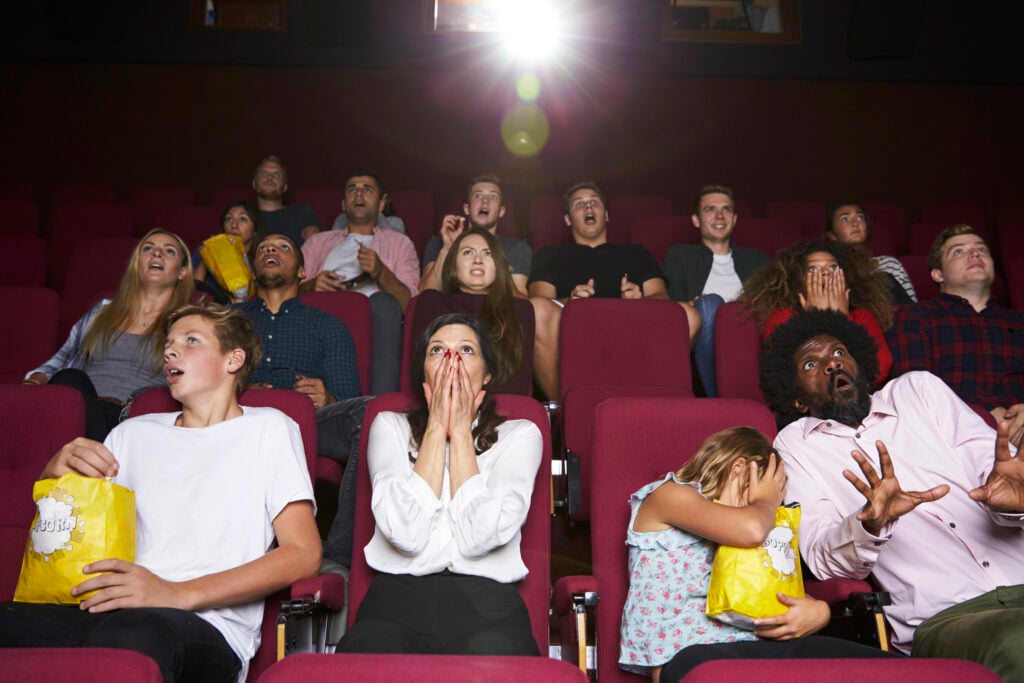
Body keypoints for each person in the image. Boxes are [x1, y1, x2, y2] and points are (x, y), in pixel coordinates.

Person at [0, 303, 322, 683]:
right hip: (99, 608)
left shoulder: (270, 429)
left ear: (233, 359)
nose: (170, 351)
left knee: (133, 636)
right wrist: (52, 475)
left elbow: (303, 554)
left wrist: (176, 592)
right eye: (168, 344)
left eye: (191, 341)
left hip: (201, 624)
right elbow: (64, 533)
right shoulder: (132, 432)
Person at [760, 308, 1024, 680]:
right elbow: (821, 558)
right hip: (948, 615)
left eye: (838, 353)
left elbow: (995, 471)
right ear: (798, 401)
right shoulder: (795, 445)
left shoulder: (919, 390)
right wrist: (870, 525)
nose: (831, 365)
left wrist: (1014, 503)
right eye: (810, 365)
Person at [335, 313, 541, 656]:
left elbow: (480, 538)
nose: (452, 361)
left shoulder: (520, 435)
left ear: (486, 373)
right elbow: (405, 533)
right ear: (424, 372)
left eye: (466, 350)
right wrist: (436, 427)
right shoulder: (389, 426)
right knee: (371, 654)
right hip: (395, 600)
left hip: (489, 603)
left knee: (498, 662)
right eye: (437, 351)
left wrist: (459, 431)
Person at [621, 426, 886, 682]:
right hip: (693, 654)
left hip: (764, 647)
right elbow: (752, 529)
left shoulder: (754, 523)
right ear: (738, 469)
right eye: (768, 491)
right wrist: (764, 502)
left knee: (886, 669)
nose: (774, 505)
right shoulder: (669, 495)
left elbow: (779, 591)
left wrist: (820, 612)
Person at [22, 229, 194, 441]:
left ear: (182, 272)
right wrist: (35, 380)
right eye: (148, 249)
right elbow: (61, 360)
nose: (156, 254)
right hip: (82, 411)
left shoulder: (186, 325)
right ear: (137, 264)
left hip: (132, 420)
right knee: (69, 378)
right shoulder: (100, 312)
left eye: (169, 251)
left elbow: (191, 383)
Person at [886, 224, 1024, 448]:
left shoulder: (1019, 322)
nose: (974, 254)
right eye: (958, 251)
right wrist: (984, 417)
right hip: (949, 441)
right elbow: (914, 395)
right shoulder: (913, 317)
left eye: (982, 249)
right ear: (937, 273)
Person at [301, 170, 420, 393]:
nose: (359, 194)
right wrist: (312, 286)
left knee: (384, 303)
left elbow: (409, 306)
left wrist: (380, 272)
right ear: (344, 204)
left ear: (382, 203)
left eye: (367, 189)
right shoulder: (317, 243)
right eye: (352, 189)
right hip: (321, 317)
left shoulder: (400, 243)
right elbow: (284, 293)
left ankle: (379, 405)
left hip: (374, 322)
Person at [663, 184, 770, 396]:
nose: (720, 216)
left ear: (735, 219)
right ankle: (719, 400)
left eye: (726, 209)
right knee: (709, 303)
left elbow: (771, 303)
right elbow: (672, 307)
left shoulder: (757, 259)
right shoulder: (680, 256)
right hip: (704, 336)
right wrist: (695, 306)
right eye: (710, 210)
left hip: (749, 332)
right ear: (696, 220)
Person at [740, 238, 893, 385]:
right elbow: (788, 376)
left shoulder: (861, 316)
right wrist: (818, 319)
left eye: (832, 267)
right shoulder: (783, 316)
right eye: (813, 269)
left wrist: (841, 320)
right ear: (798, 281)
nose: (825, 274)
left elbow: (879, 371)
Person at [239, 233, 361, 411]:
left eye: (284, 247)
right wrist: (238, 391)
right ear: (253, 274)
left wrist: (327, 400)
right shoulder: (228, 320)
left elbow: (351, 405)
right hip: (235, 422)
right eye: (262, 249)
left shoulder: (328, 326)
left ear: (301, 271)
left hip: (299, 425)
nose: (270, 249)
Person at [410, 228, 535, 395]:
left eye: (487, 253)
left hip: (502, 410)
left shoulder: (520, 309)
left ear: (498, 266)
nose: (478, 260)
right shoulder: (430, 301)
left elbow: (519, 380)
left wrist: (476, 405)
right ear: (453, 265)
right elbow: (421, 370)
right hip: (440, 403)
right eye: (468, 252)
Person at [419, 174, 532, 296]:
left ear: (501, 211)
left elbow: (521, 303)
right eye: (478, 195)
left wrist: (501, 269)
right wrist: (447, 248)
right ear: (467, 209)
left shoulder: (516, 248)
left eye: (493, 196)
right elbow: (425, 296)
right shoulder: (439, 243)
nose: (485, 201)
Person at [824, 201, 916, 304]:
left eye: (860, 218)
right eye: (844, 219)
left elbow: (911, 309)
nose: (855, 223)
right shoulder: (829, 270)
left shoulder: (889, 264)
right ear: (832, 235)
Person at [192, 200, 263, 303]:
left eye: (243, 219)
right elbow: (191, 291)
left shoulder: (260, 260)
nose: (234, 225)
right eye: (228, 219)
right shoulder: (204, 248)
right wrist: (208, 254)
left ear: (255, 230)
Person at [252, 155, 319, 246]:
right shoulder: (242, 216)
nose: (270, 177)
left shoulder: (302, 213)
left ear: (285, 187)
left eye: (276, 174)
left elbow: (314, 245)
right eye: (264, 173)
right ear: (254, 183)